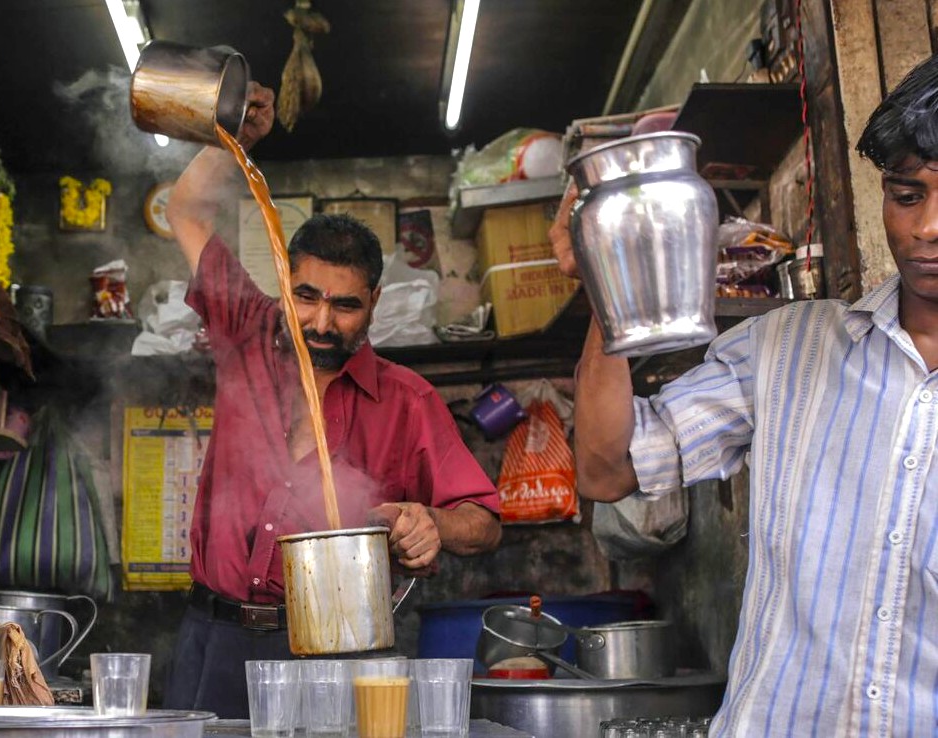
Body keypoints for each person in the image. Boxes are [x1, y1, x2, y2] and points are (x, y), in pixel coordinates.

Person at [551, 53, 938, 735]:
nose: (928, 226)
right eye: (907, 196)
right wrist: (607, 272)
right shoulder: (789, 350)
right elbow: (606, 469)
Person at [161, 83, 502, 717]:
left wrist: (433, 522)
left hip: (335, 655)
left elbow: (482, 521)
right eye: (307, 297)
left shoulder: (408, 401)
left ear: (374, 301)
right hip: (213, 638)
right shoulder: (247, 331)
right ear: (285, 286)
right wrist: (234, 139)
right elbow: (185, 210)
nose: (321, 322)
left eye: (345, 305)